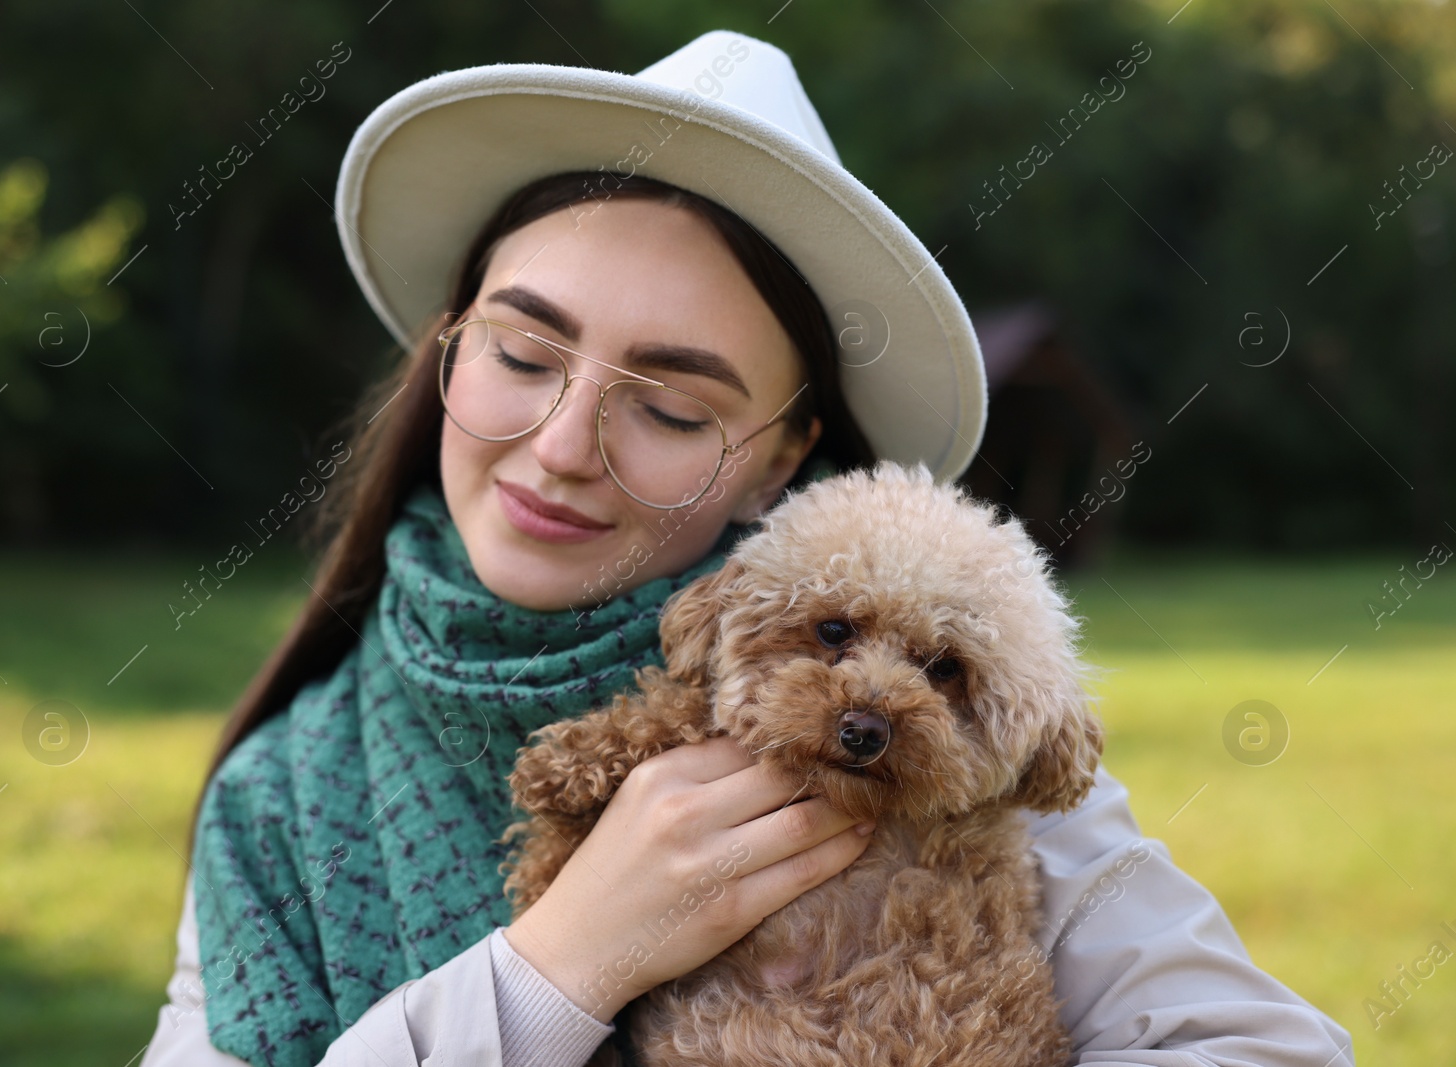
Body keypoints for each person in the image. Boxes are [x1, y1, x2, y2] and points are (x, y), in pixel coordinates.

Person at [141, 30, 1354, 1067]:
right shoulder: (276, 800)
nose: (561, 446)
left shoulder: (958, 760)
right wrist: (557, 965)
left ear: (785, 456)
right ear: (449, 351)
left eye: (671, 409)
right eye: (520, 354)